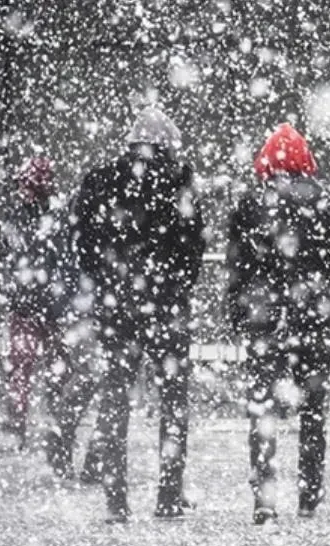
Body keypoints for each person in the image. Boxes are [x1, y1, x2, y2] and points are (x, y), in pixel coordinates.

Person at [58, 107, 205, 521]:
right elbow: (193, 247)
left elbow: (81, 240)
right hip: (167, 308)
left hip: (116, 307)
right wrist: (173, 287)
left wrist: (106, 284)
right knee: (173, 401)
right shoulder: (180, 183)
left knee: (115, 397)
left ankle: (116, 499)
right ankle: (168, 493)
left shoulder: (101, 180)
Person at [226, 123, 330, 524]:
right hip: (312, 320)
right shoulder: (327, 204)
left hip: (265, 323)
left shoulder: (250, 204)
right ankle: (309, 494)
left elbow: (237, 267)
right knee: (312, 412)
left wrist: (240, 312)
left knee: (262, 410)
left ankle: (264, 497)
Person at [0, 155, 71, 446]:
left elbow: (8, 252)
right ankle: (43, 424)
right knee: (33, 368)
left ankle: (30, 424)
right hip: (40, 303)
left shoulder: (27, 215)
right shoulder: (54, 214)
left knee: (26, 368)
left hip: (36, 302)